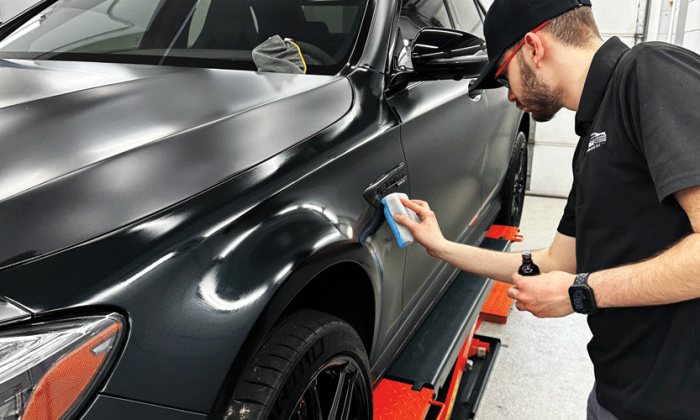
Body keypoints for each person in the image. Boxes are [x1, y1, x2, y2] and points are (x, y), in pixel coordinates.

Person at [393, 1, 700, 419]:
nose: (508, 93)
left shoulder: (648, 71)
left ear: (534, 48)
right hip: (617, 392)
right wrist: (443, 247)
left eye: (503, 74)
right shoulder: (591, 141)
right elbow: (554, 263)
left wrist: (581, 293)